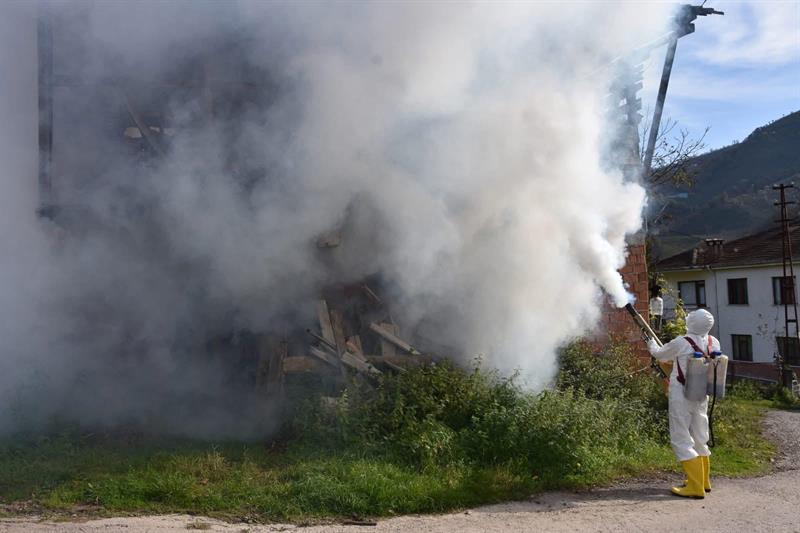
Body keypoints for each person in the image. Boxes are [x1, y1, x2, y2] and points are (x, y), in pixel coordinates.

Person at [647, 308, 719, 499]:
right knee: (700, 437)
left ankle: (695, 487)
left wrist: (651, 343)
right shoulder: (713, 342)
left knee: (681, 437)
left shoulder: (682, 342)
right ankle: (703, 481)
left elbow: (660, 355)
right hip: (701, 395)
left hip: (681, 394)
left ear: (691, 322)